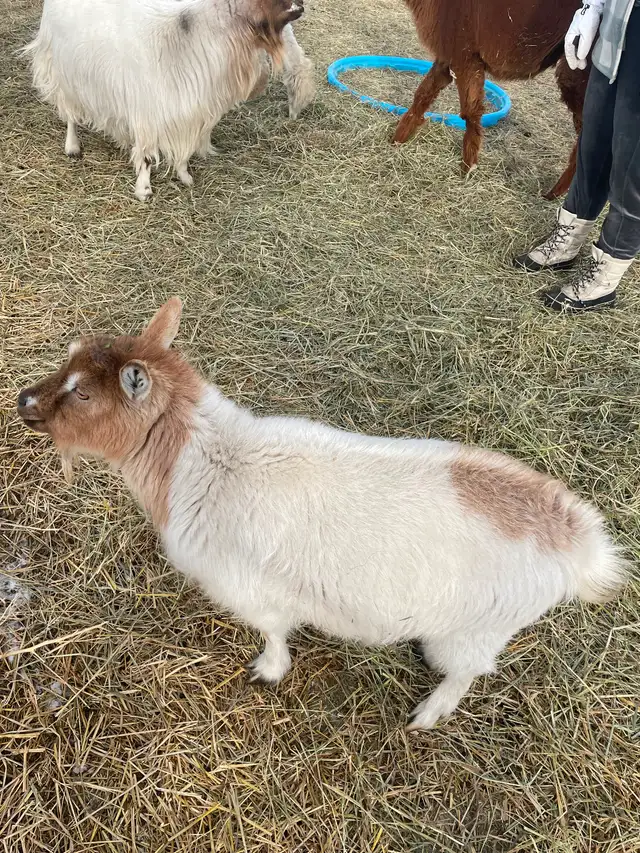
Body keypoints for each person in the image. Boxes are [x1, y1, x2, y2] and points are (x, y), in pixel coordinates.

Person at [514, 0, 640, 311]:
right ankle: (568, 239)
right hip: (620, 20)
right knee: (594, 144)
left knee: (632, 168)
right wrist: (592, 7)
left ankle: (605, 279)